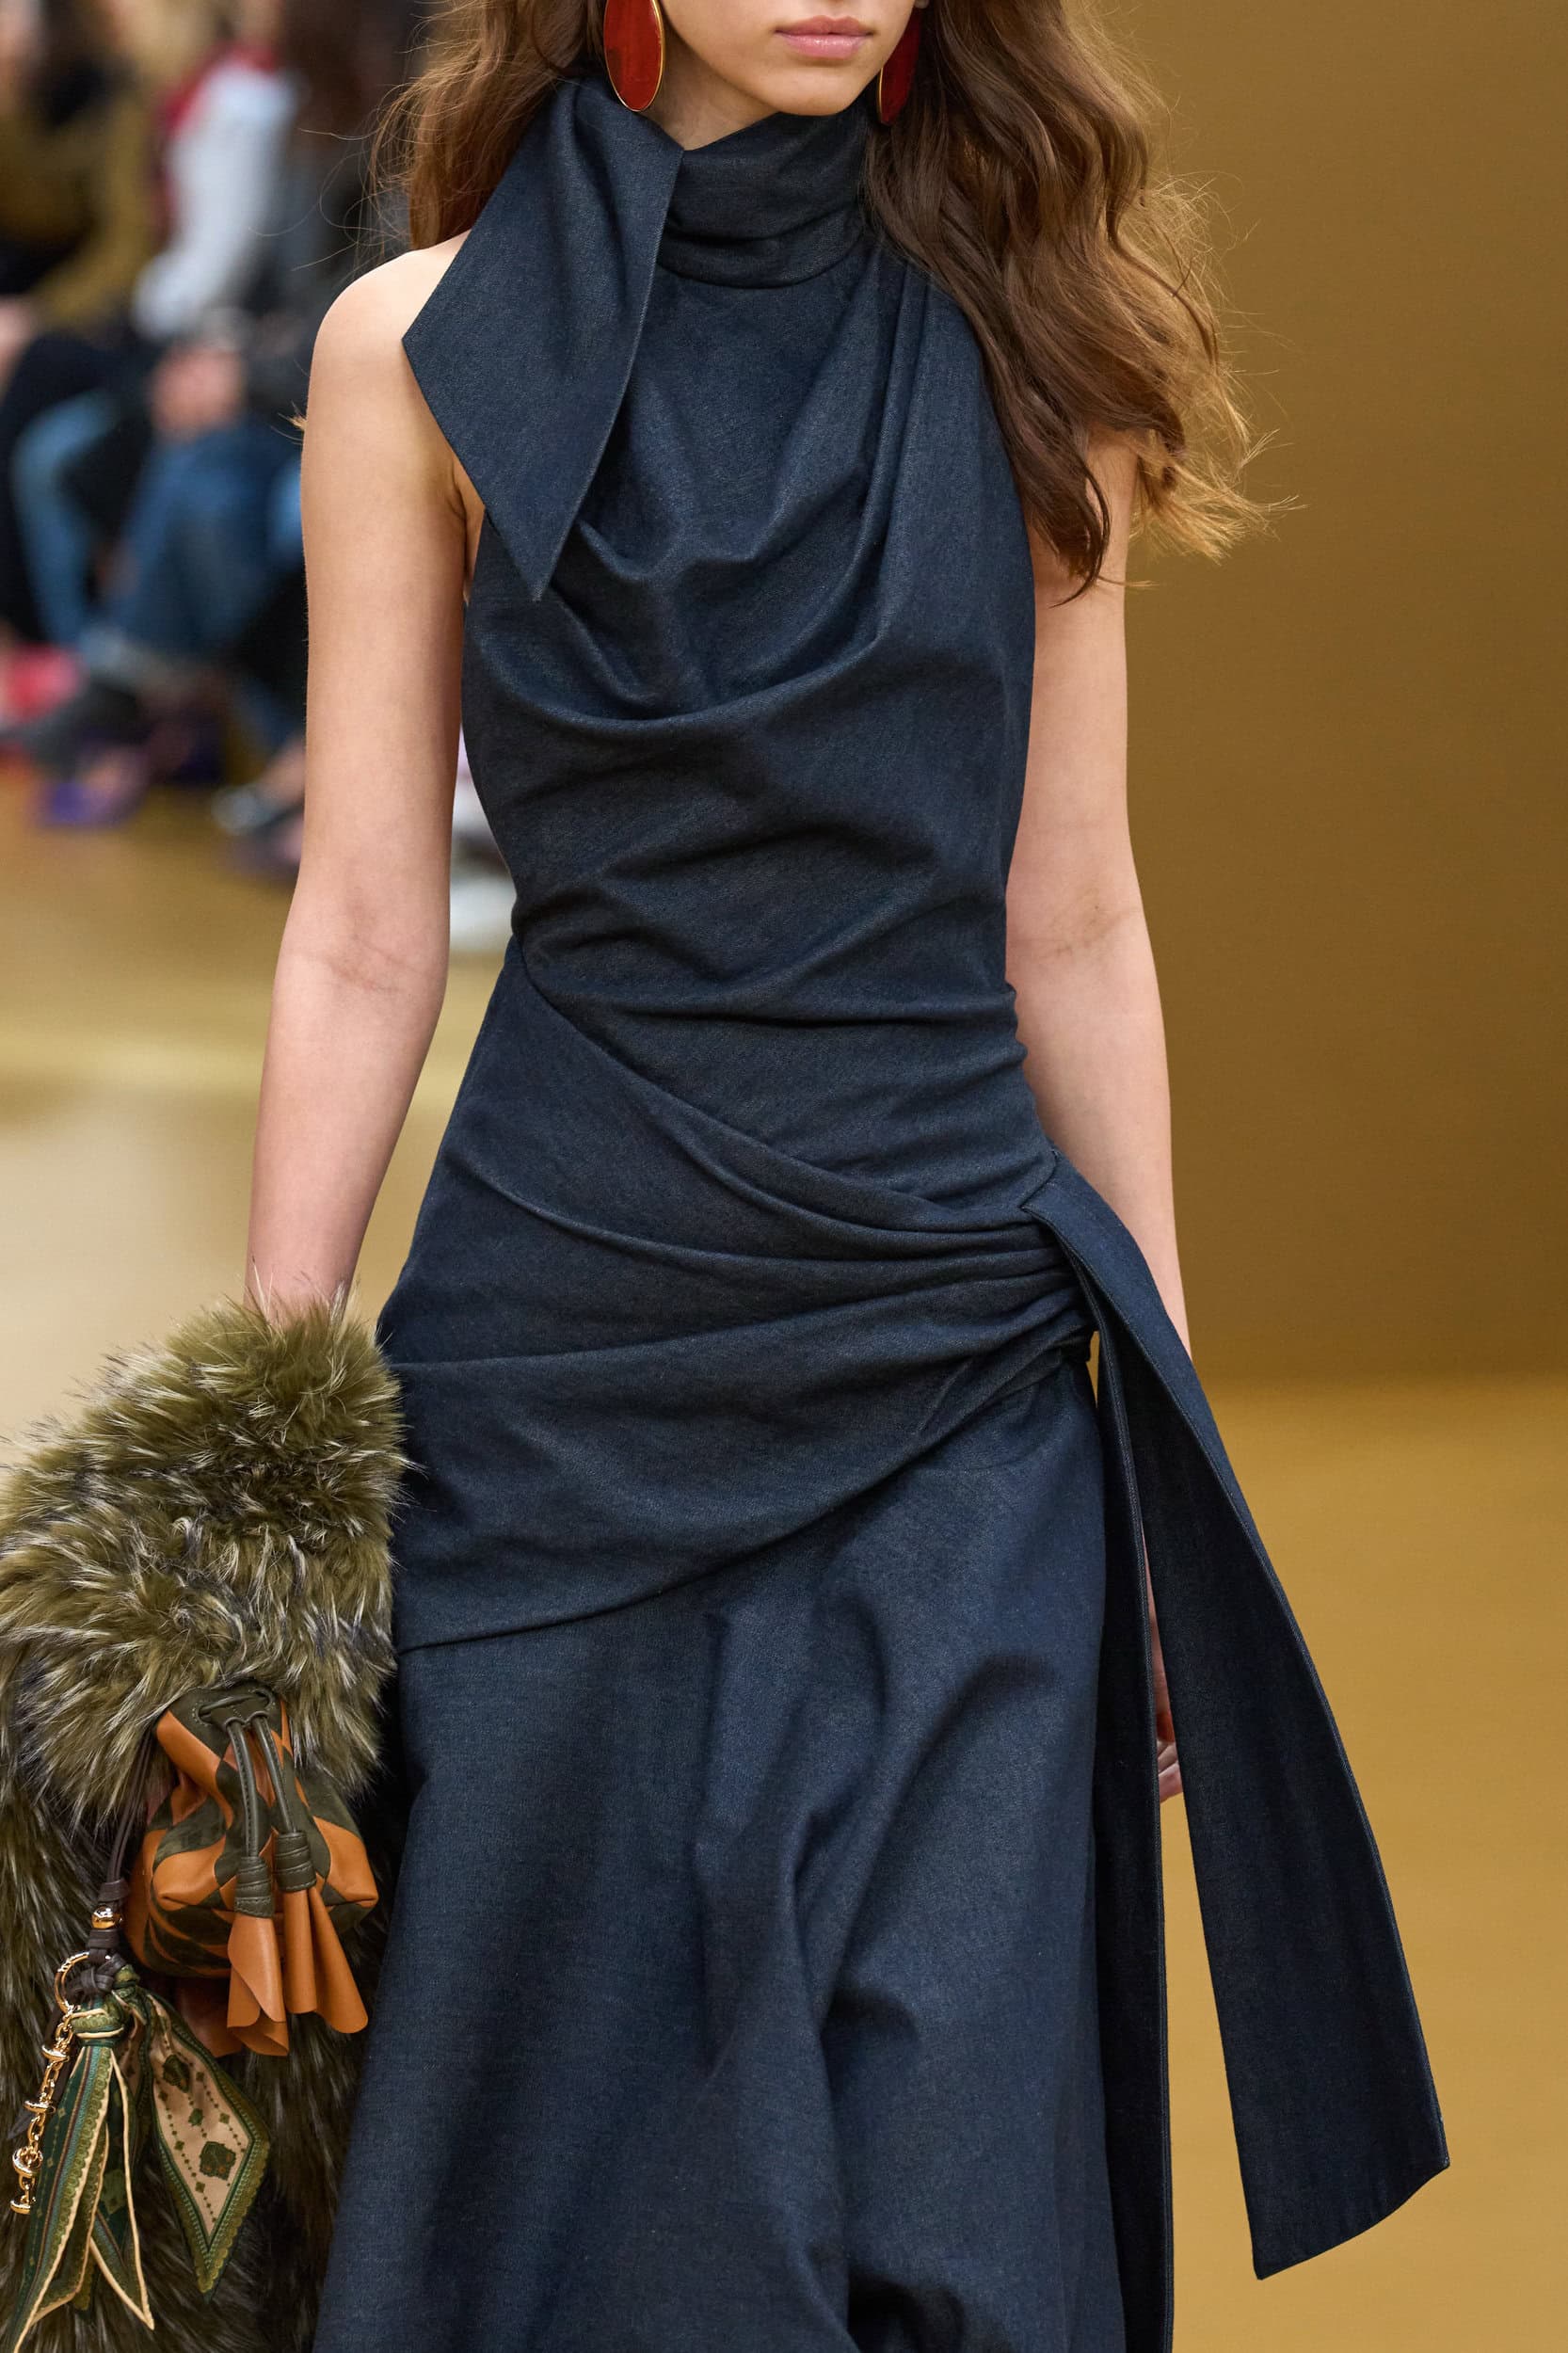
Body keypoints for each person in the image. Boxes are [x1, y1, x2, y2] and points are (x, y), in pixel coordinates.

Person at [250, 6, 1447, 2348]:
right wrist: (265, 1460)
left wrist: (1168, 1456)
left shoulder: (1038, 329)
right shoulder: (409, 350)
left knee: (958, 2215)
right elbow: (367, 922)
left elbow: (1067, 917)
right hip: (558, 1391)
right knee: (570, 2215)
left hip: (954, 1379)